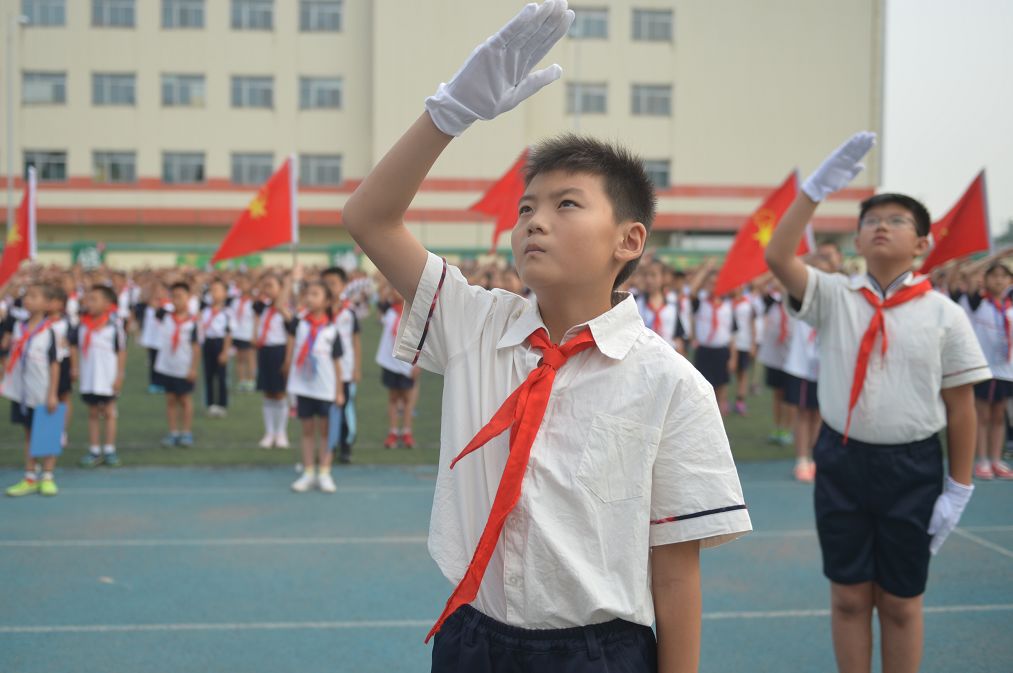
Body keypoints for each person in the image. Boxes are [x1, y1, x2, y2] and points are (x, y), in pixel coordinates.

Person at [342, 3, 751, 670]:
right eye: (525, 207)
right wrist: (449, 114)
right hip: (474, 632)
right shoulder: (476, 323)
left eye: (566, 204)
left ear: (629, 239)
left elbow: (675, 576)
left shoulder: (670, 383)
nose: (534, 220)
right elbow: (368, 217)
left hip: (597, 648)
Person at [765, 132, 989, 673]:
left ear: (922, 245)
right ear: (858, 241)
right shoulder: (834, 296)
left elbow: (962, 407)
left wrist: (958, 487)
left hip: (911, 466)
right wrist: (815, 191)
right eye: (870, 220)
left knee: (900, 602)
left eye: (897, 220)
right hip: (842, 461)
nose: (880, 225)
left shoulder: (944, 314)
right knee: (847, 597)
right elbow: (776, 254)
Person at [951, 262, 1013, 480]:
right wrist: (997, 256)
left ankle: (996, 459)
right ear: (985, 280)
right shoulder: (977, 303)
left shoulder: (1009, 305)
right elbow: (966, 271)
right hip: (983, 369)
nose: (999, 280)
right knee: (982, 415)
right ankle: (983, 460)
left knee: (999, 417)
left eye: (1004, 277)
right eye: (994, 276)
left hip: (1006, 370)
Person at [286, 281, 346, 493]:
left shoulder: (332, 330)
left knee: (326, 432)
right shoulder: (299, 323)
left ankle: (325, 472)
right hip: (303, 388)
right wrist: (291, 280)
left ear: (327, 301)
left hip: (326, 389)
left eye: (315, 294)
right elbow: (290, 347)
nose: (310, 298)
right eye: (308, 294)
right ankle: (309, 472)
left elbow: (337, 363)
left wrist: (339, 391)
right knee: (307, 431)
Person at [2, 283, 61, 496]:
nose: (28, 300)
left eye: (34, 297)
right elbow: (11, 355)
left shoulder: (51, 331)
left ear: (47, 304)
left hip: (43, 391)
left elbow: (55, 364)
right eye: (27, 296)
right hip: (22, 391)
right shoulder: (19, 327)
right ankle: (29, 477)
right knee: (29, 434)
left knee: (47, 434)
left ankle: (47, 476)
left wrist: (52, 393)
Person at [75, 285, 127, 467]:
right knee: (93, 413)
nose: (89, 303)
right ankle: (94, 450)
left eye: (94, 299)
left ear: (107, 304)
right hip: (90, 378)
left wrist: (119, 376)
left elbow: (121, 352)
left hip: (107, 378)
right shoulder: (82, 324)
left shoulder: (114, 326)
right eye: (88, 299)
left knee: (109, 412)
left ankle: (110, 449)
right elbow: (75, 347)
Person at [322, 266, 361, 464]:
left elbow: (355, 341)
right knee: (324, 410)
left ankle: (345, 446)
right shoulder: (320, 313)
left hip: (344, 370)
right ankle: (329, 444)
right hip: (324, 371)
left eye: (334, 283)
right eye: (326, 284)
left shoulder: (349, 312)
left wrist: (356, 368)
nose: (330, 287)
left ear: (344, 286)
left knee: (343, 408)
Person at [154, 282, 199, 447]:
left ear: (188, 298)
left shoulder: (193, 322)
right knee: (171, 400)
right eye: (174, 296)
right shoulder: (165, 316)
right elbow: (153, 299)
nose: (177, 300)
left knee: (185, 400)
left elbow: (196, 347)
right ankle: (173, 432)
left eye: (181, 296)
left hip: (184, 366)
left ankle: (186, 432)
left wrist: (193, 368)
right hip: (167, 366)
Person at [376, 285, 420, 449]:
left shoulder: (414, 314)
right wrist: (387, 288)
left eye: (398, 289)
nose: (395, 292)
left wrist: (418, 364)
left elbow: (421, 339)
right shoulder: (388, 311)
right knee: (393, 398)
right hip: (390, 363)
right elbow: (380, 302)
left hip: (407, 363)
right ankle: (393, 431)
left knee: (408, 400)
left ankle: (407, 432)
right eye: (393, 290)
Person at [253, 273, 294, 449]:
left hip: (280, 351)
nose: (267, 289)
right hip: (265, 351)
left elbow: (291, 337)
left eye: (271, 286)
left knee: (279, 394)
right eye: (265, 286)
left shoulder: (285, 310)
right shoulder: (261, 307)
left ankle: (281, 432)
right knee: (267, 393)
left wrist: (287, 360)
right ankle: (269, 432)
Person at [199, 278, 233, 418]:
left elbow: (228, 333)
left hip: (220, 344)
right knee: (208, 375)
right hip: (207, 343)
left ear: (225, 293)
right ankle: (211, 404)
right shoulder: (204, 310)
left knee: (222, 376)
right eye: (212, 290)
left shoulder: (227, 312)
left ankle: (222, 404)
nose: (214, 293)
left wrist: (225, 351)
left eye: (218, 290)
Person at [730, 286, 756, 415]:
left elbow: (752, 323)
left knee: (743, 372)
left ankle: (740, 400)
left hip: (744, 343)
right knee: (732, 372)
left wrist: (753, 343)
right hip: (730, 343)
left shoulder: (747, 304)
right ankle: (724, 400)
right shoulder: (727, 302)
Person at [229, 273, 257, 393]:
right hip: (238, 333)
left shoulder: (253, 301)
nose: (242, 286)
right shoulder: (235, 301)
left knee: (250, 357)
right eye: (240, 283)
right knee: (239, 358)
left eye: (245, 283)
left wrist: (254, 334)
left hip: (249, 333)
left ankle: (251, 380)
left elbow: (256, 319)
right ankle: (242, 380)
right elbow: (232, 317)